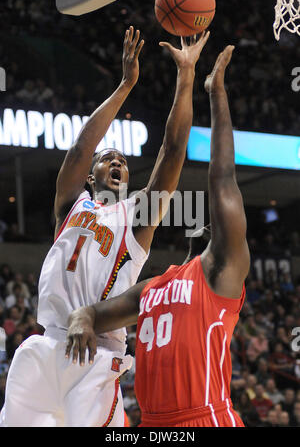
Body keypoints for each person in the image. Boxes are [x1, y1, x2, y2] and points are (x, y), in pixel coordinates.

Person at [0, 27, 210, 427]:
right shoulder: (71, 205)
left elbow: (173, 149)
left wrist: (186, 76)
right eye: (108, 159)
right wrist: (125, 86)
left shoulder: (136, 215)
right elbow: (80, 147)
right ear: (91, 176)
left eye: (123, 161)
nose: (117, 163)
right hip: (44, 348)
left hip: (95, 353)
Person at [65, 45, 250, 427]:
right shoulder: (150, 288)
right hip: (152, 423)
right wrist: (81, 319)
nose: (213, 219)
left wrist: (216, 92)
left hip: (204, 419)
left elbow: (223, 179)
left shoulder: (219, 272)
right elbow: (92, 314)